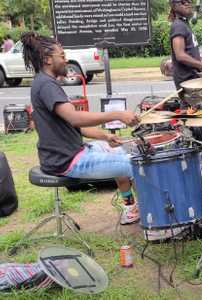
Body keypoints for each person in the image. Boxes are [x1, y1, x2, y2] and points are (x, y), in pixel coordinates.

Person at [20, 32, 141, 225]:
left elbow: (71, 125)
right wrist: (117, 114)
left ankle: (130, 209)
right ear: (47, 59)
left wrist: (104, 136)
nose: (66, 60)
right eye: (62, 56)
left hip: (72, 152)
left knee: (117, 150)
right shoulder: (46, 85)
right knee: (135, 164)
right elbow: (74, 118)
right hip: (67, 161)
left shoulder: (45, 83)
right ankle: (155, 217)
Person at [168, 0, 202, 104]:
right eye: (183, 2)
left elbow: (189, 54)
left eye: (189, 1)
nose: (188, 3)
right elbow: (180, 55)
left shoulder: (184, 24)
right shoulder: (178, 25)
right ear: (174, 6)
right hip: (189, 84)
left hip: (194, 82)